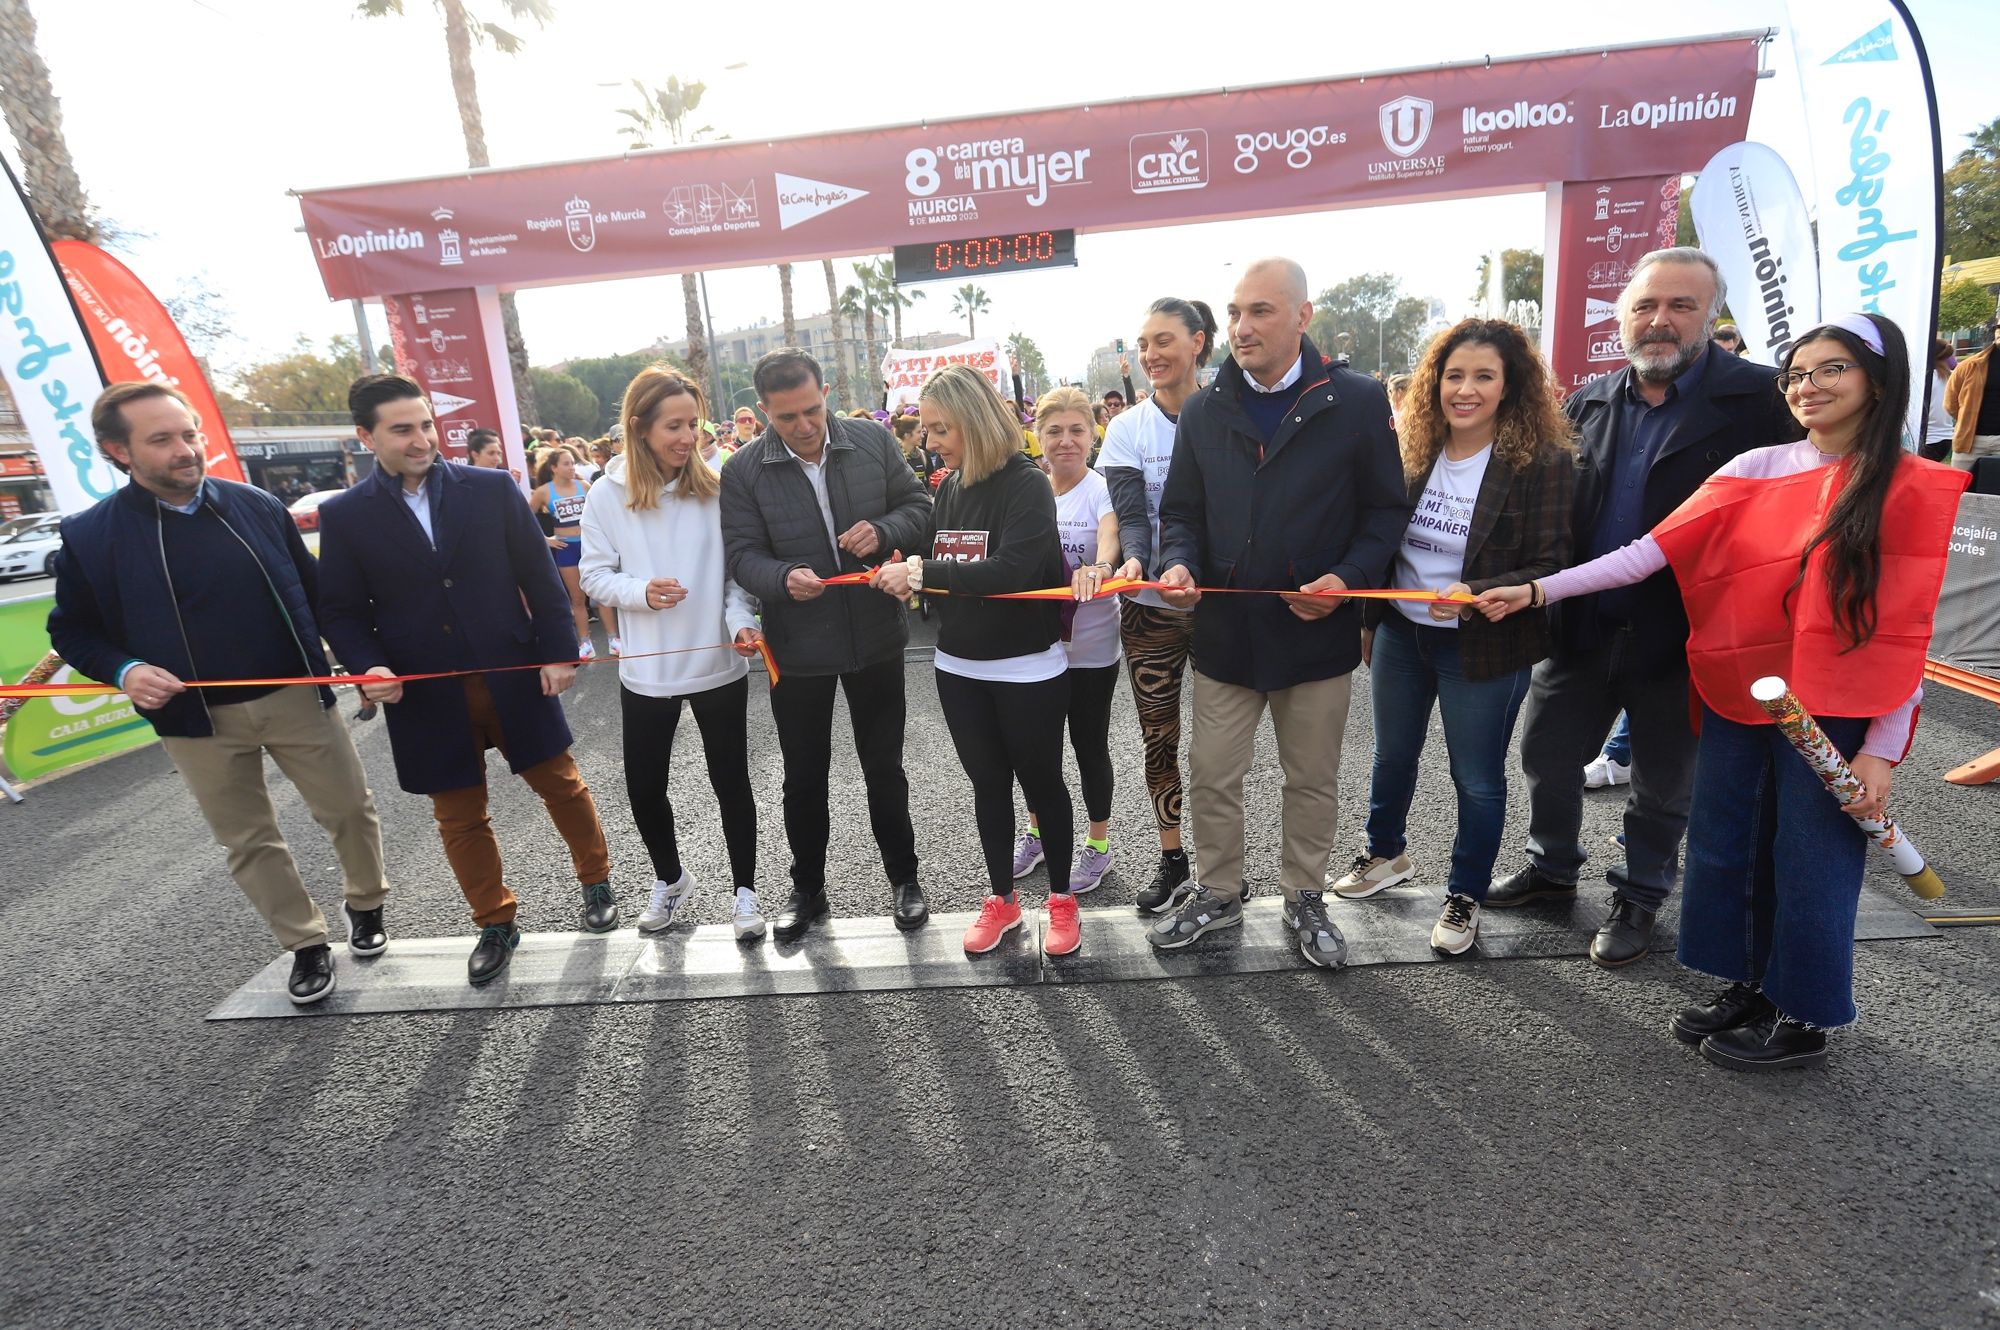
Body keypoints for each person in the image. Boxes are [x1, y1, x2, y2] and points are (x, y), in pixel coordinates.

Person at [1477, 313, 1969, 1069]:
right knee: (1730, 847)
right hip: (1744, 695)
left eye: (1832, 369)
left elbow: (1908, 631)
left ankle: (1803, 1015)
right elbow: (1645, 554)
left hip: (1834, 714)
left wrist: (1881, 750)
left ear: (1880, 379)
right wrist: (1537, 591)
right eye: (1798, 373)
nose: (1810, 386)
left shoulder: (1909, 487)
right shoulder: (1758, 466)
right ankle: (1753, 983)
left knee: (1811, 860)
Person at [1486, 247, 1803, 969]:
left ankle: (1639, 895)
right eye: (1645, 307)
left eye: (1681, 306)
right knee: (1546, 755)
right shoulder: (1589, 401)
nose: (1660, 320)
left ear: (1711, 314)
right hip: (1583, 628)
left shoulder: (1762, 402)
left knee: (1663, 782)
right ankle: (1552, 869)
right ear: (1622, 319)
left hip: (1686, 635)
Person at [47, 382, 390, 1006]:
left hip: (295, 693)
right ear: (117, 451)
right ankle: (305, 943)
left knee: (349, 808)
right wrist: (124, 669)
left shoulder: (255, 505)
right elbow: (71, 630)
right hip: (193, 719)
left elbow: (317, 597)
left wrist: (360, 664)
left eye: (189, 433)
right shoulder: (91, 536)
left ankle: (365, 904)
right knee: (249, 839)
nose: (185, 450)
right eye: (162, 440)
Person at [1149, 257, 1410, 967]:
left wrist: (1347, 578)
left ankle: (1304, 897)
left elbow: (1386, 512)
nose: (1241, 327)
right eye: (1235, 312)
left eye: (1260, 311)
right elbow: (1181, 515)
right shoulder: (1203, 408)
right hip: (1228, 638)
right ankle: (1217, 894)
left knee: (1312, 779)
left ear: (1303, 316)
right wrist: (1179, 563)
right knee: (1210, 773)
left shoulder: (1355, 401)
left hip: (1315, 634)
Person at [317, 375, 618, 987]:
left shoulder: (490, 490)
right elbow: (342, 611)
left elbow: (538, 574)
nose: (421, 438)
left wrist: (559, 652)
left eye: (425, 424)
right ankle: (495, 920)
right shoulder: (344, 515)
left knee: (559, 783)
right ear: (365, 436)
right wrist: (368, 665)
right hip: (424, 689)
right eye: (403, 429)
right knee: (458, 816)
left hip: (511, 671)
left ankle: (597, 883)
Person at [1329, 320, 1576, 954]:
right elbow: (1381, 540)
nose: (1464, 390)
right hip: (1401, 637)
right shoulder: (1413, 449)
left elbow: (1554, 561)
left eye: (1483, 377)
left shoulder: (1539, 462)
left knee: (1478, 778)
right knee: (1391, 756)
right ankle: (1385, 855)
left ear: (1509, 385)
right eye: (1453, 375)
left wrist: (1481, 590)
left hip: (1485, 645)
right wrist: (1368, 620)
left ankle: (1464, 894)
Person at [719, 348, 935, 940]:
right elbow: (741, 555)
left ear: (828, 392)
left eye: (812, 410)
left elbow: (921, 508)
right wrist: (780, 578)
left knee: (884, 767)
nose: (804, 426)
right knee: (803, 776)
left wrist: (885, 531)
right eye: (786, 418)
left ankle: (904, 878)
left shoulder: (871, 441)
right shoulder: (742, 470)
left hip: (876, 637)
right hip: (797, 647)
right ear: (764, 412)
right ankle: (807, 890)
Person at [870, 366, 1079, 955]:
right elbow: (940, 567)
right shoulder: (949, 485)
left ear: (975, 421)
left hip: (1027, 667)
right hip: (959, 665)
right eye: (929, 429)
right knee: (988, 786)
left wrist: (917, 572)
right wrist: (904, 568)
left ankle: (1062, 901)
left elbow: (1010, 571)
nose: (930, 441)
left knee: (1043, 786)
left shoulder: (1026, 483)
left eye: (941, 428)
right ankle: (1003, 902)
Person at [581, 366, 767, 941]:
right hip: (646, 671)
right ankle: (670, 880)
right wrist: (640, 593)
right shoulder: (606, 495)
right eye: (673, 426)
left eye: (693, 423)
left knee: (731, 781)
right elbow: (594, 575)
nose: (688, 437)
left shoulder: (717, 486)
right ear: (638, 427)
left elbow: (736, 578)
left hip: (718, 664)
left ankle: (745, 893)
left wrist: (740, 621)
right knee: (643, 786)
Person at [1099, 296, 1216, 913]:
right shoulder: (1125, 428)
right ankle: (1172, 860)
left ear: (1198, 342)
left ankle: (1222, 868)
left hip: (1218, 604)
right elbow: (1132, 512)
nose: (1151, 356)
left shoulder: (1228, 415)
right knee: (1159, 739)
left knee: (1222, 747)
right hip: (1148, 608)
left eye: (1164, 341)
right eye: (1145, 345)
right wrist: (1134, 561)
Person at [1006, 386, 1122, 895]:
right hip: (1035, 645)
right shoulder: (1028, 488)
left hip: (1093, 644)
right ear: (1038, 436)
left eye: (1077, 430)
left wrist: (1100, 565)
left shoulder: (1101, 489)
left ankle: (1098, 845)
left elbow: (1111, 536)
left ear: (1092, 434)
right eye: (1055, 431)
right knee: (1036, 748)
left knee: (1088, 744)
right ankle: (1036, 835)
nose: (1066, 441)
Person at [530, 447, 617, 658]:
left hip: (590, 545)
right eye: (566, 464)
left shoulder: (584, 485)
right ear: (554, 468)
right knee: (578, 599)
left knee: (601, 594)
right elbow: (523, 519)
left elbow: (603, 513)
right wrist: (546, 540)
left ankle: (614, 640)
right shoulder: (543, 491)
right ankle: (585, 643)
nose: (571, 467)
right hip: (566, 548)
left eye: (572, 463)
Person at [1943, 319, 2000, 473]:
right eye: (1998, 327)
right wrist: (1966, 418)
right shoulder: (1971, 365)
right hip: (1970, 440)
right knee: (1958, 489)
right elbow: (1950, 402)